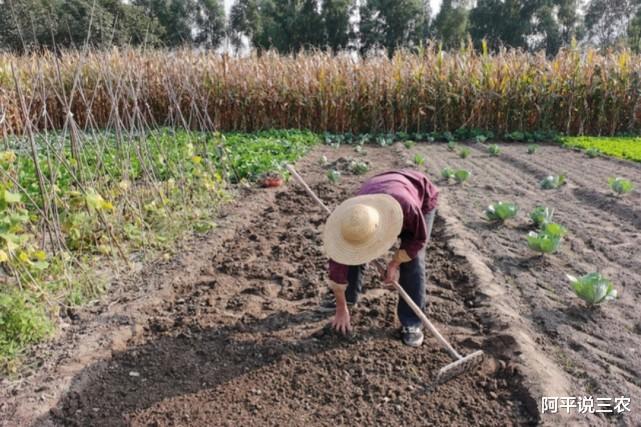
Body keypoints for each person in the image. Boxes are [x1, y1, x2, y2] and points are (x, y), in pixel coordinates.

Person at [321, 169, 438, 347]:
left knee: (413, 261)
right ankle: (350, 297)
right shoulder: (350, 218)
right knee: (354, 250)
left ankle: (412, 323)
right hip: (378, 187)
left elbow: (418, 239)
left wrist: (395, 263)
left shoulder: (408, 208)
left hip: (418, 195)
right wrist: (341, 307)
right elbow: (337, 271)